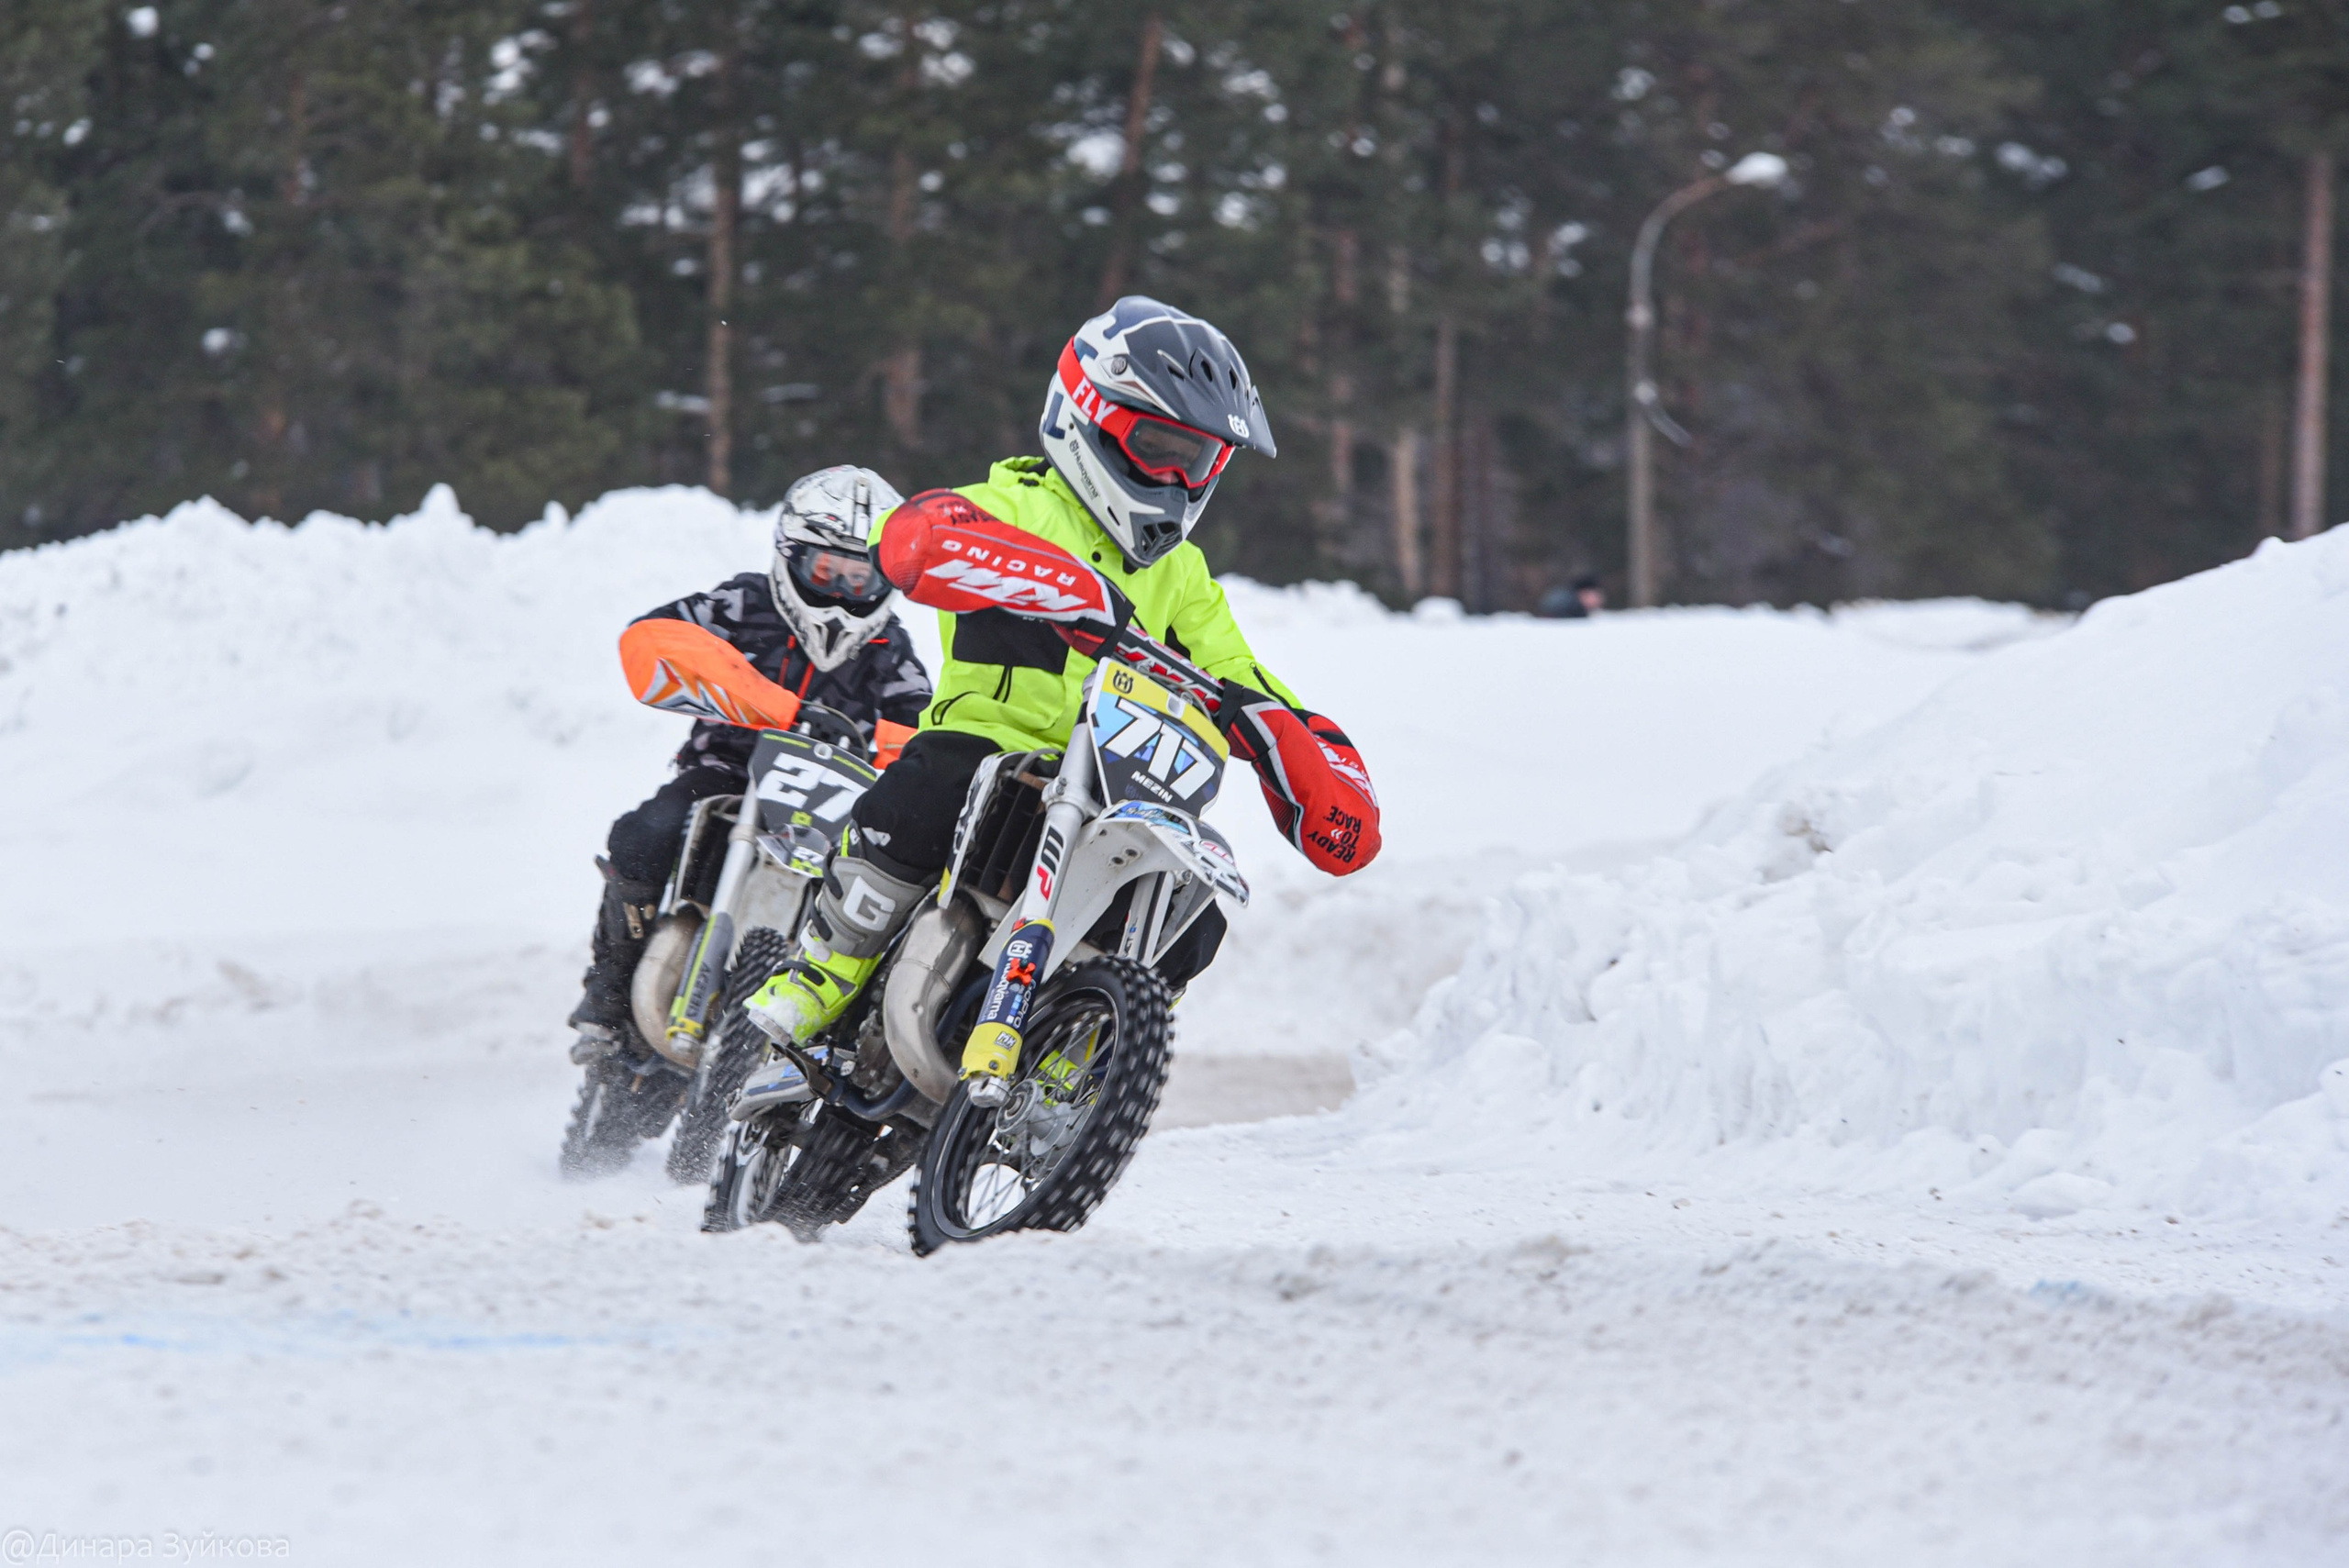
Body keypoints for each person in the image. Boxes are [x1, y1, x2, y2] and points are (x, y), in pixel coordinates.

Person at [735, 297, 1384, 1106]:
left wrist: (1292, 742)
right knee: (938, 773)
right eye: (1162, 448)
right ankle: (825, 969)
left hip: (1115, 786)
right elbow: (921, 535)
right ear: (1088, 416)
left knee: (1198, 911)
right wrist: (1068, 593)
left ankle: (1076, 1065)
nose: (1180, 478)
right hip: (994, 750)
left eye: (1202, 461)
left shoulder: (1179, 576)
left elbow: (1237, 668)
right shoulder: (1017, 504)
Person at [566, 465, 933, 1057]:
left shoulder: (891, 651)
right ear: (791, 556)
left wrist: (898, 757)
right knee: (644, 832)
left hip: (832, 805)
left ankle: (826, 1035)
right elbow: (654, 636)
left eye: (859, 578)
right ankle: (608, 990)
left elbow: (921, 727)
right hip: (726, 775)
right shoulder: (744, 602)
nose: (841, 592)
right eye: (825, 571)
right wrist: (773, 707)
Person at [1538, 573, 1606, 618]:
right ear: (1584, 593)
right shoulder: (1566, 604)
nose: (1598, 600)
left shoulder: (1566, 600)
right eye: (1596, 596)